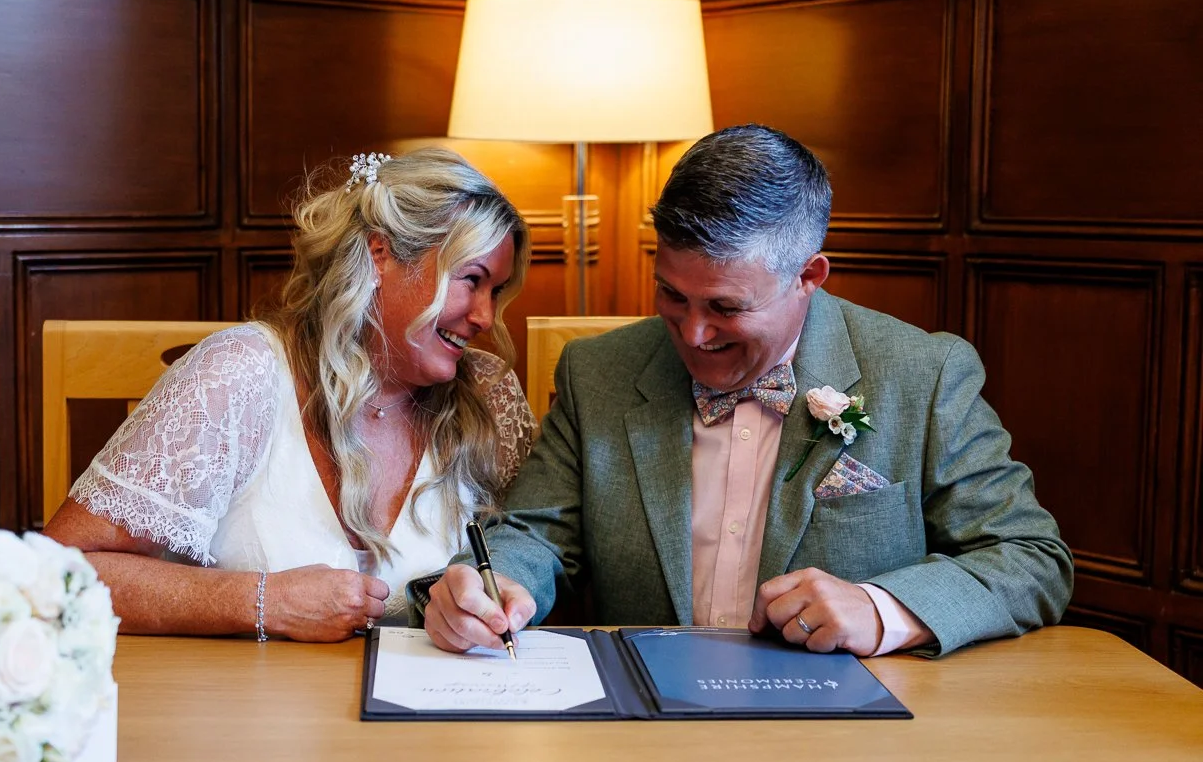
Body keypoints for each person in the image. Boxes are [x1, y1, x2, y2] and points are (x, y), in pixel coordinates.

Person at [420, 124, 1072, 658]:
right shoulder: (599, 373)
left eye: (726, 307)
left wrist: (883, 608)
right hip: (644, 746)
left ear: (809, 276)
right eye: (672, 294)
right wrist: (497, 581)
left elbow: (1032, 560)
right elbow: (534, 532)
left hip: (850, 754)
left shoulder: (922, 376)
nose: (694, 334)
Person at [45, 147, 535, 641]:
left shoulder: (489, 397)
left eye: (495, 291)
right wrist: (263, 601)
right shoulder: (240, 377)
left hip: (429, 712)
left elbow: (530, 555)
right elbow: (60, 574)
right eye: (470, 280)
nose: (485, 317)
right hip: (244, 706)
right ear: (380, 254)